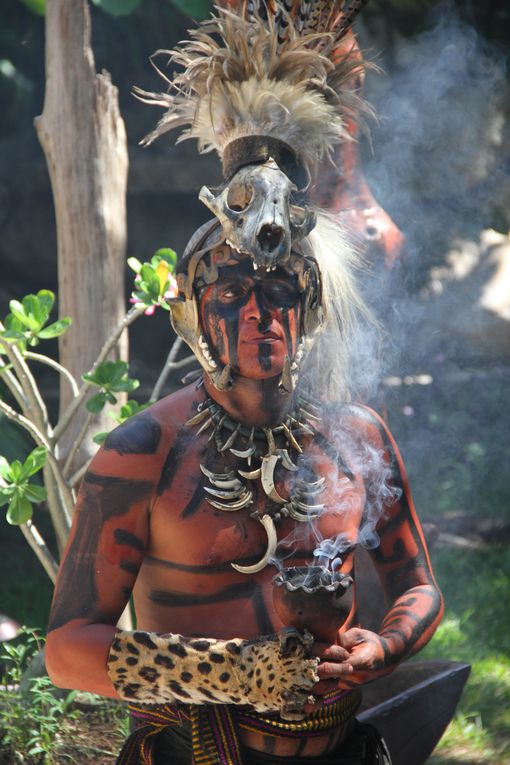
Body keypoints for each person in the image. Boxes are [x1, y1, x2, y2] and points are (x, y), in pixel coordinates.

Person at [46, 4, 444, 763]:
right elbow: (67, 650)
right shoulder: (144, 453)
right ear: (194, 309)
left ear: (311, 309)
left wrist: (383, 647)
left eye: (281, 293)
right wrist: (229, 672)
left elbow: (418, 587)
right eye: (232, 293)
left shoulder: (357, 436)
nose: (260, 314)